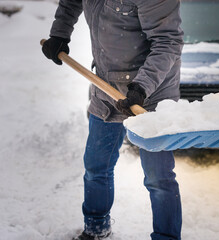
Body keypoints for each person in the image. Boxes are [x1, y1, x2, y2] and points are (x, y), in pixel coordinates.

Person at [42, 0, 184, 239]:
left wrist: (142, 87)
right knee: (96, 166)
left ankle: (166, 236)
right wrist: (60, 33)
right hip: (106, 87)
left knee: (159, 177)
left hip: (151, 94)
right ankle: (96, 228)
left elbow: (168, 42)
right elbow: (71, 2)